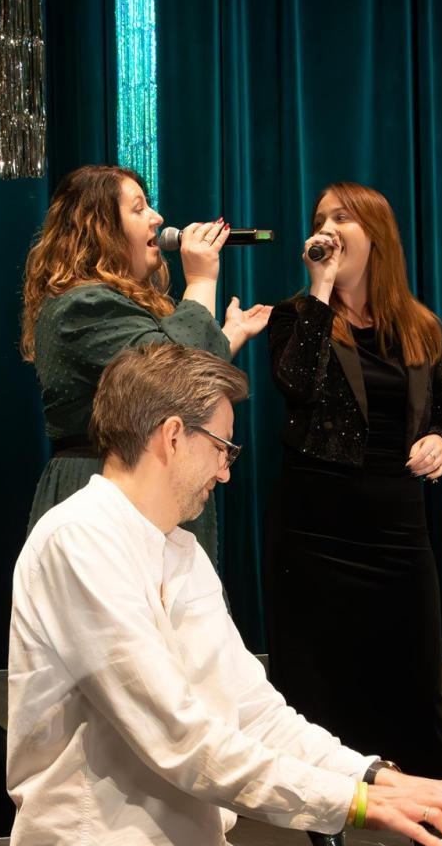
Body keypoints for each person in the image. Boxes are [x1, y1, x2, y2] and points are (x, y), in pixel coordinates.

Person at [7, 342, 442, 846]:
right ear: (170, 436)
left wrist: (388, 778)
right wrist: (359, 806)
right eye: (222, 447)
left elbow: (256, 712)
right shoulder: (78, 541)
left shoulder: (179, 551)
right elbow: (185, 743)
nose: (225, 470)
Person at [264, 181, 442, 783]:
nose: (326, 227)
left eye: (342, 217)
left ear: (376, 233)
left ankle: (426, 801)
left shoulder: (422, 326)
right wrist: (321, 288)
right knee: (320, 687)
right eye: (320, 217)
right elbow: (296, 385)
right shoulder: (297, 315)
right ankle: (328, 820)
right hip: (315, 530)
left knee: (414, 680)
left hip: (398, 530)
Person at [19, 164, 270, 560]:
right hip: (106, 488)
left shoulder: (122, 305)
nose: (157, 218)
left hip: (156, 484)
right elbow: (173, 380)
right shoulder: (81, 306)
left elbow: (178, 376)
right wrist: (202, 281)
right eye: (139, 208)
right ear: (98, 227)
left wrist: (229, 337)